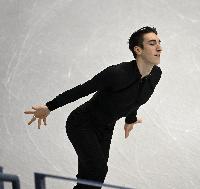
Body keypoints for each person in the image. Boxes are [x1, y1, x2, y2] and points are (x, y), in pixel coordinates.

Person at [24, 26, 163, 189]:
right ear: (138, 49)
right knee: (97, 170)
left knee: (93, 177)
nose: (159, 47)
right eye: (152, 43)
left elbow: (137, 98)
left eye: (159, 42)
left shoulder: (155, 75)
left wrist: (130, 119)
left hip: (105, 127)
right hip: (82, 124)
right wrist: (49, 107)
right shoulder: (117, 73)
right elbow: (83, 89)